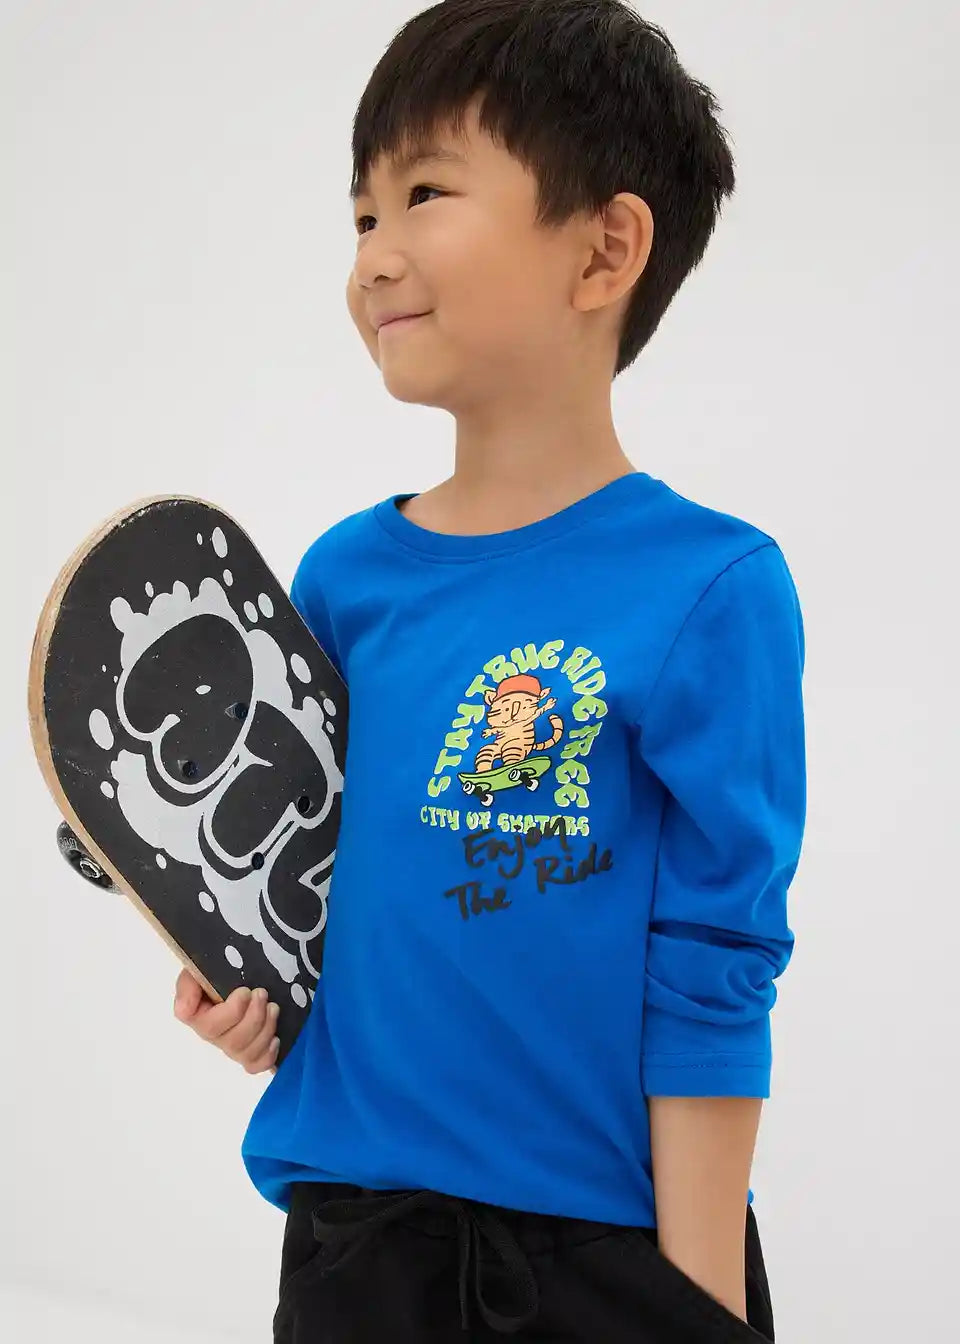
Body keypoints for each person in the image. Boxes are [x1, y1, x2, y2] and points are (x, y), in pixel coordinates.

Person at [173, 2, 806, 1339]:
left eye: (424, 194)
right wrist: (253, 993)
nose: (374, 256)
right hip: (356, 1246)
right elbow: (311, 878)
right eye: (360, 214)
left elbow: (716, 961)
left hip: (609, 1260)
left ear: (605, 250)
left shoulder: (709, 586)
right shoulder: (345, 578)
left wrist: (695, 1302)